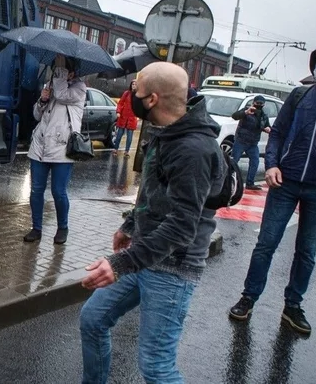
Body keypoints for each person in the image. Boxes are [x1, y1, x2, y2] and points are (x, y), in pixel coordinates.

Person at [79, 62, 225, 383]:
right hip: (145, 256)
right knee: (92, 319)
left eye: (136, 89)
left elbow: (183, 225)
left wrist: (120, 263)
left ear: (153, 99)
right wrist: (130, 225)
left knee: (157, 366)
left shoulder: (194, 149)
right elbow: (154, 193)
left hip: (173, 268)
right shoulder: (167, 132)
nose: (131, 93)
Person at [229, 45, 316, 335]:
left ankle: (293, 306)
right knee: (266, 244)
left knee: (306, 251)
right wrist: (272, 164)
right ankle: (248, 298)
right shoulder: (300, 95)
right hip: (285, 183)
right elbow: (278, 133)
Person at [23, 54, 87, 245]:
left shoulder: (78, 89)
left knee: (58, 192)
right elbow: (36, 115)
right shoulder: (52, 88)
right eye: (56, 70)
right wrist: (42, 100)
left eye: (61, 70)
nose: (57, 74)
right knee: (36, 191)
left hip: (62, 149)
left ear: (72, 73)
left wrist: (59, 71)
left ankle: (63, 227)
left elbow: (61, 95)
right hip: (40, 147)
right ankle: (36, 228)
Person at [230, 95, 271, 191]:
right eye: (257, 103)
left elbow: (266, 126)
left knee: (255, 162)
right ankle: (227, 179)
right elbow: (235, 116)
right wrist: (246, 112)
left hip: (253, 143)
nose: (259, 105)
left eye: (261, 104)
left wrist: (267, 129)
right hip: (241, 140)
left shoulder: (263, 116)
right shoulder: (247, 111)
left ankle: (250, 183)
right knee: (233, 161)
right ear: (253, 102)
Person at [112, 79, 138, 156]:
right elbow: (120, 103)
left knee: (129, 136)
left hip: (132, 118)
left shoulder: (138, 95)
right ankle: (115, 149)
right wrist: (118, 112)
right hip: (123, 117)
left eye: (135, 84)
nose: (134, 86)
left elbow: (140, 106)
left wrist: (138, 115)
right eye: (133, 84)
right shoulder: (126, 93)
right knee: (119, 134)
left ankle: (127, 151)